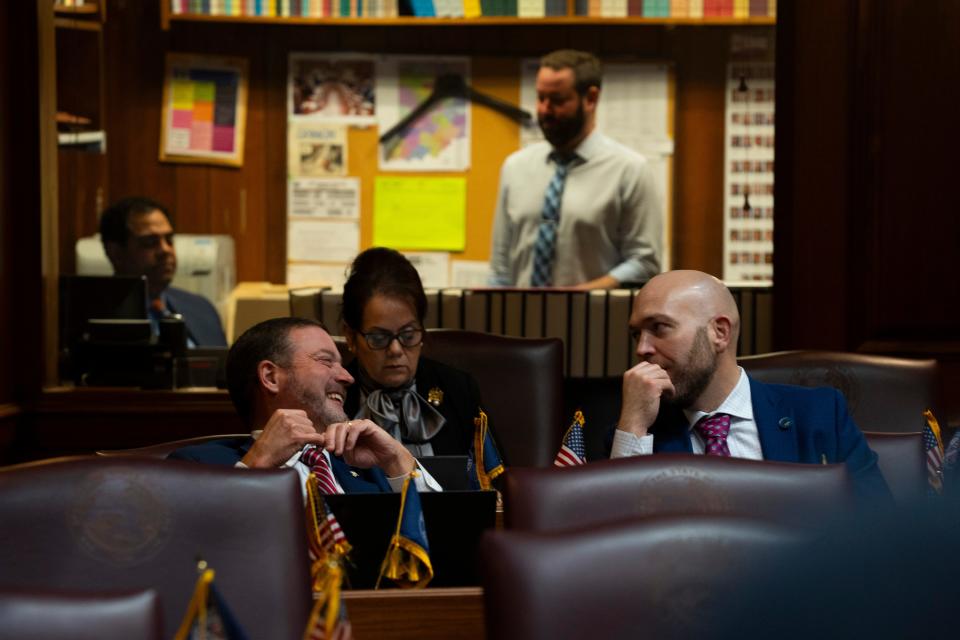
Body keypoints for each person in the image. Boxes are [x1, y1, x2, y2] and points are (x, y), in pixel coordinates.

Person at [610, 269, 890, 502]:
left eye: (659, 328)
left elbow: (879, 525)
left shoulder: (819, 413)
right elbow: (615, 541)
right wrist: (633, 427)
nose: (642, 348)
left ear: (719, 332)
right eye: (637, 334)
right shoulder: (638, 422)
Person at [169, 316, 440, 493]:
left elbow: (443, 537)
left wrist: (397, 459)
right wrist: (256, 465)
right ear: (271, 377)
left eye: (342, 364)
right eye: (325, 361)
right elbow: (193, 542)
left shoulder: (370, 469)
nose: (347, 377)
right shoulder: (198, 466)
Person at [488, 49, 662, 289]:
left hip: (593, 319)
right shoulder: (515, 167)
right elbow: (500, 268)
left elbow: (644, 263)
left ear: (590, 99)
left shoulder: (630, 170)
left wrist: (575, 299)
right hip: (517, 320)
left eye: (558, 100)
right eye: (540, 98)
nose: (545, 110)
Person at [341, 247, 494, 459]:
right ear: (350, 336)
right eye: (378, 338)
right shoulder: (334, 397)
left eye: (408, 334)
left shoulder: (458, 390)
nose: (395, 350)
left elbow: (494, 482)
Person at [99, 196, 227, 347]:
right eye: (150, 242)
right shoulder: (96, 318)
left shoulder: (201, 308)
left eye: (169, 239)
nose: (165, 250)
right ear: (116, 253)